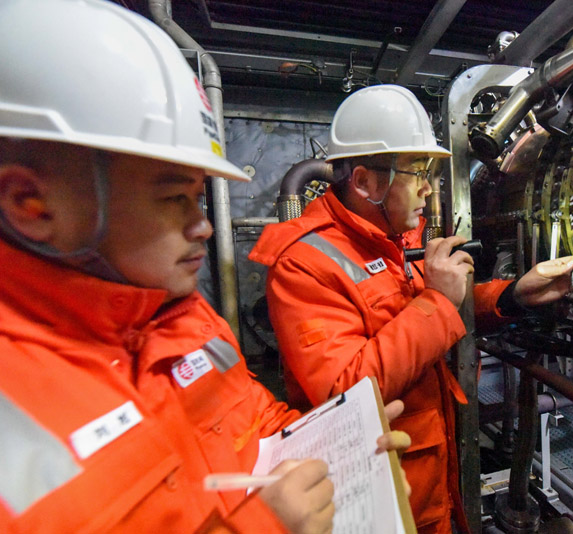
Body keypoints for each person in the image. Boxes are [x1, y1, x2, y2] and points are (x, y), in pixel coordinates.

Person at [0, 1, 409, 533]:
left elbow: (256, 423)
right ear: (33, 205)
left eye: (199, 197)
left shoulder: (183, 318)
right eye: (174, 198)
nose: (205, 226)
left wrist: (344, 454)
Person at [249, 84, 573, 533]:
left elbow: (437, 314)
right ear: (365, 182)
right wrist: (436, 299)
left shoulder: (398, 236)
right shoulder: (303, 263)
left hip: (433, 463)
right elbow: (342, 389)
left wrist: (513, 296)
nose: (429, 189)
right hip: (385, 485)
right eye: (417, 171)